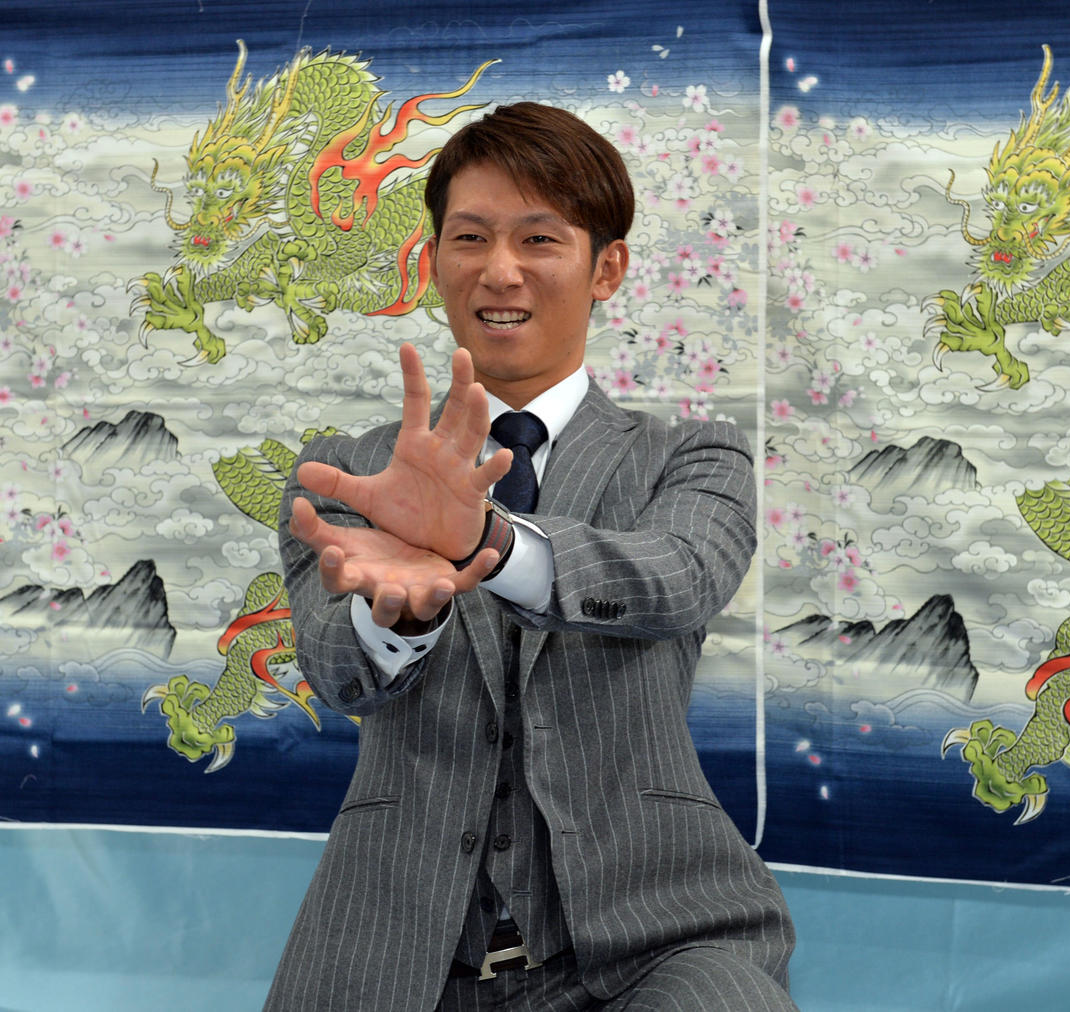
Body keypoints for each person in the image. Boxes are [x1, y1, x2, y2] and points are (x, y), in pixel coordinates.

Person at [264, 102, 796, 1011]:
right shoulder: (350, 473)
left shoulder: (692, 455)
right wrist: (401, 616)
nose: (499, 270)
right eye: (469, 237)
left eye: (539, 239)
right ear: (433, 261)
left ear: (607, 268)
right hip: (393, 954)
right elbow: (335, 670)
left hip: (661, 940)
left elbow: (678, 577)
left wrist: (487, 542)